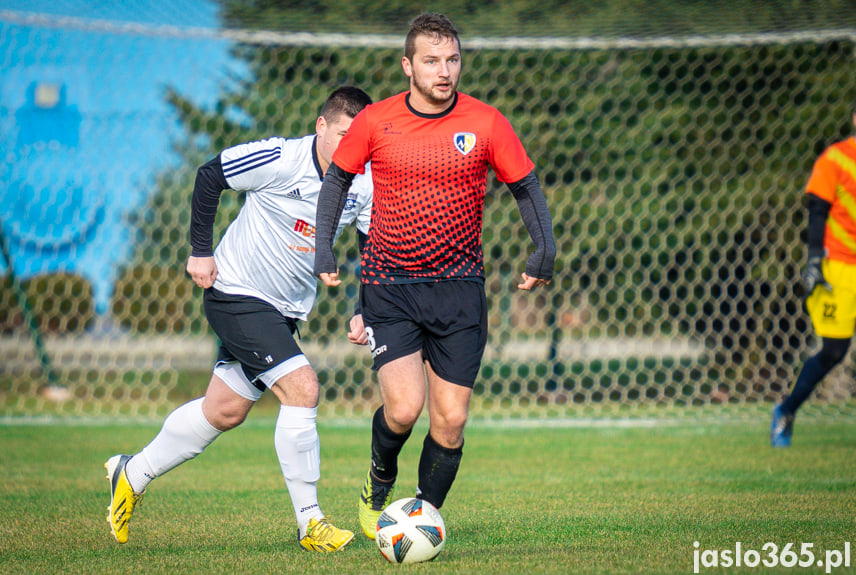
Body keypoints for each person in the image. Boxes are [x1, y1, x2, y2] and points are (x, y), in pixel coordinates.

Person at [313, 13, 556, 539]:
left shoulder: (486, 122)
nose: (444, 71)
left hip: (459, 290)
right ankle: (379, 482)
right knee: (403, 409)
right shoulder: (375, 121)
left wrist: (545, 250)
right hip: (389, 286)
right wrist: (323, 251)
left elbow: (526, 187)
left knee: (450, 421)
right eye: (431, 61)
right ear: (408, 66)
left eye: (452, 60)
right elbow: (336, 182)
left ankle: (418, 518)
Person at [104, 86, 374, 551]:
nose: (351, 148)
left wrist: (363, 309)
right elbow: (210, 175)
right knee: (303, 386)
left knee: (224, 411)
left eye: (361, 139)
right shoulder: (278, 157)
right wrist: (200, 252)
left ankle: (132, 472)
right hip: (236, 292)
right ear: (320, 127)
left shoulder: (364, 183)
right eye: (343, 135)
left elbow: (371, 248)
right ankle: (311, 523)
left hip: (283, 311)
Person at [771, 90, 856, 447]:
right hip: (839, 268)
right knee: (834, 353)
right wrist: (813, 261)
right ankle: (787, 409)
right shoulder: (836, 159)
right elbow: (817, 211)